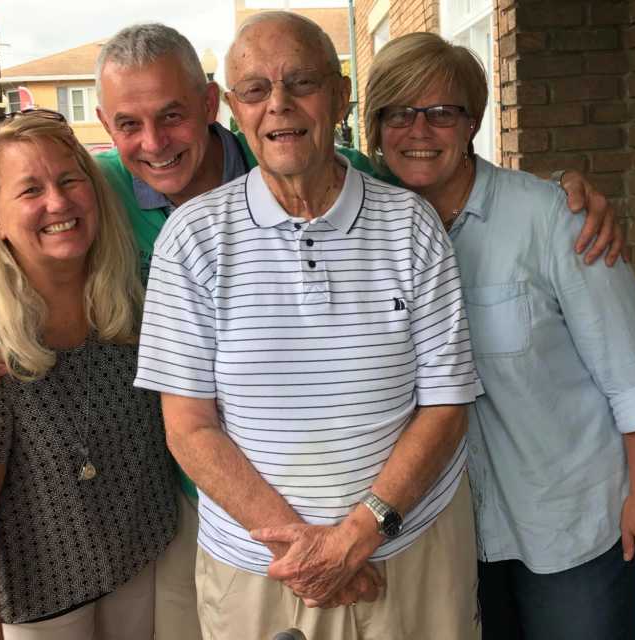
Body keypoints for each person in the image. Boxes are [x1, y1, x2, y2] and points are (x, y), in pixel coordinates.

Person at [0, 21, 621, 640]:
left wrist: (557, 192)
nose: (154, 142)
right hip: (217, 525)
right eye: (129, 125)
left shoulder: (396, 211)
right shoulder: (103, 194)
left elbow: (440, 182)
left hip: (403, 536)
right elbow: (9, 226)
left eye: (300, 83)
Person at [137, 12, 484, 639]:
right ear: (233, 111)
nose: (280, 105)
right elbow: (189, 428)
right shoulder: (192, 240)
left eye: (301, 83)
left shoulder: (409, 224)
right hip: (262, 570)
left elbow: (446, 404)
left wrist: (358, 534)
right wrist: (309, 559)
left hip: (413, 550)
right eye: (255, 90)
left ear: (341, 95)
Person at [364, 32, 635, 640]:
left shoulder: (552, 218)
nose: (419, 131)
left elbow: (632, 369)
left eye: (441, 112)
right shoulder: (370, 232)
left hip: (572, 523)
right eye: (399, 113)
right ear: (376, 128)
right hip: (449, 532)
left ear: (473, 121)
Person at [0, 110, 177, 639]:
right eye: (29, 190)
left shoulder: (133, 302)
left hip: (142, 567)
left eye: (69, 180)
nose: (58, 203)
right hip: (43, 606)